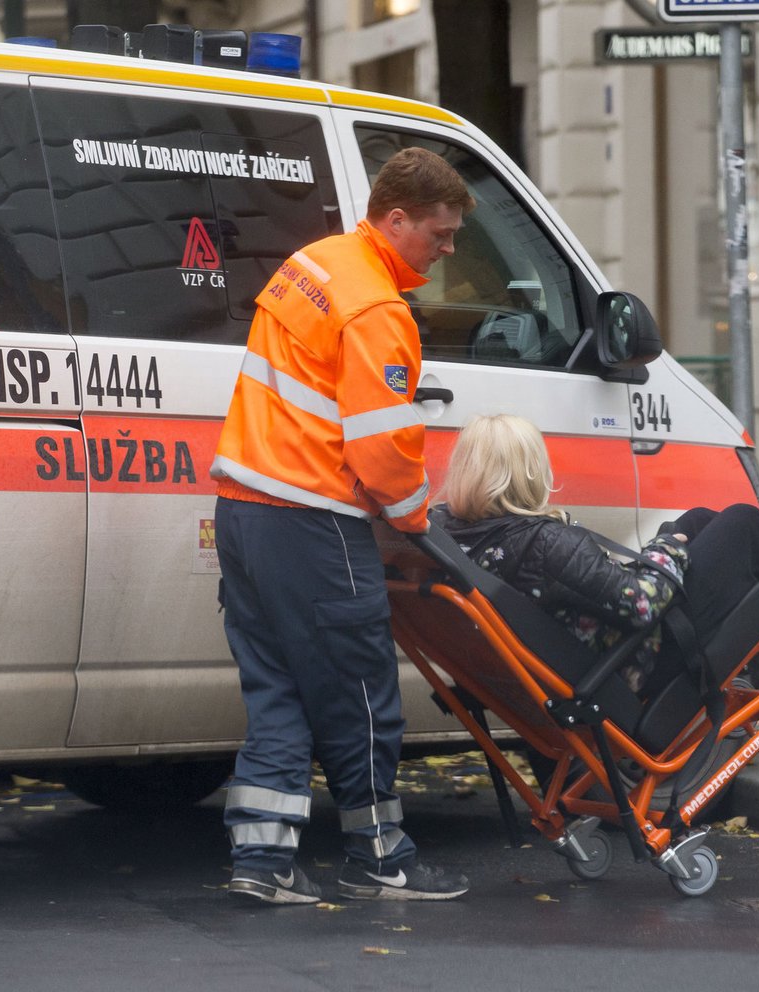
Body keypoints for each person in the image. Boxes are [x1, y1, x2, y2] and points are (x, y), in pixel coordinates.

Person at [210, 147, 475, 905]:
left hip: (244, 512)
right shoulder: (377, 309)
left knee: (278, 691)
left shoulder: (313, 264)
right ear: (396, 220)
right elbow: (385, 451)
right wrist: (419, 521)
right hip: (314, 522)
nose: (448, 248)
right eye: (440, 232)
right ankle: (379, 856)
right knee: (360, 692)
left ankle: (261, 864)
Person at [436, 415, 759, 700]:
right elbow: (641, 603)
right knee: (744, 524)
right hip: (645, 660)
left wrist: (671, 540)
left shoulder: (467, 538)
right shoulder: (542, 542)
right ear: (527, 475)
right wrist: (666, 549)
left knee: (695, 520)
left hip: (603, 654)